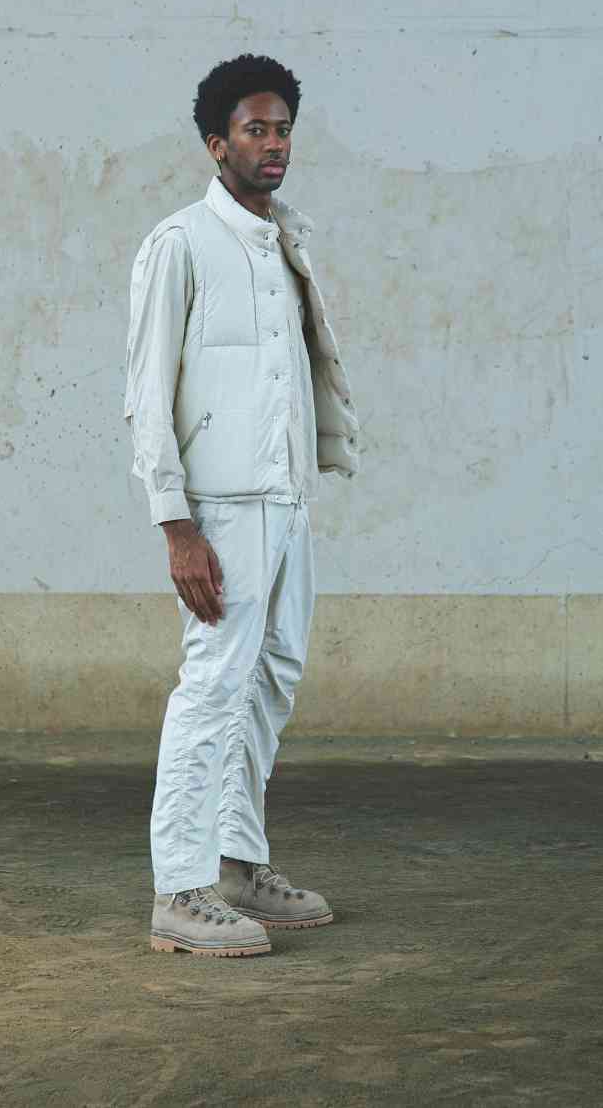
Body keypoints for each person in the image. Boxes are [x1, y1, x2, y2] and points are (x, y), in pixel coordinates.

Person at [123, 53, 361, 957]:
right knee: (213, 688)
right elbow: (147, 394)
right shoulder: (180, 243)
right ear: (215, 143)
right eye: (255, 130)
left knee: (272, 679)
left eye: (283, 129)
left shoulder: (284, 240)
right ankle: (178, 891)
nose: (274, 144)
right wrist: (175, 524)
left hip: (287, 500)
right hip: (219, 511)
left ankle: (235, 863)